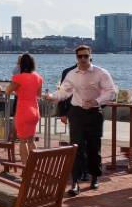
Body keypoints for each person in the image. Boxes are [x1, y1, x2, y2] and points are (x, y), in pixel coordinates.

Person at [46, 45, 116, 196]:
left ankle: (95, 177)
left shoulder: (101, 73)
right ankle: (75, 182)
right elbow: (64, 91)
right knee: (76, 148)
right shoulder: (71, 74)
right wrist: (53, 97)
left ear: (91, 55)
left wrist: (97, 101)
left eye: (86, 56)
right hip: (76, 112)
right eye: (80, 56)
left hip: (94, 113)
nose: (83, 59)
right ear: (76, 58)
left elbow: (111, 92)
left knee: (94, 148)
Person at [6, 53, 43, 164]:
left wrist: (18, 91)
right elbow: (39, 95)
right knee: (31, 140)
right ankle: (35, 165)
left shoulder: (17, 78)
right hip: (34, 111)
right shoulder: (38, 77)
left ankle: (25, 167)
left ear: (21, 64)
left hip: (23, 111)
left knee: (22, 141)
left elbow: (7, 91)